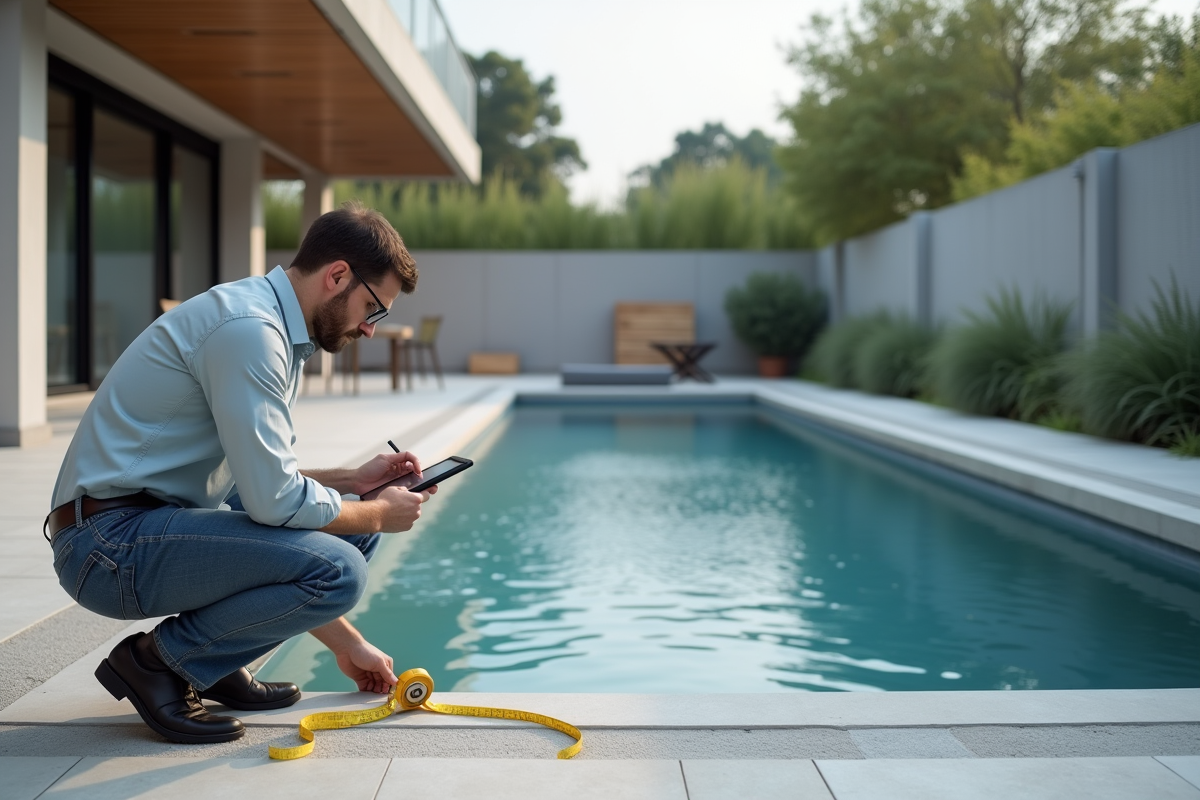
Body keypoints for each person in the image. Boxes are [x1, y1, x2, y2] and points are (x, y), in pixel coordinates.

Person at [45, 202, 433, 744]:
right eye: (373, 308)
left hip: (143, 524)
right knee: (342, 563)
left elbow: (257, 483)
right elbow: (275, 502)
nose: (369, 329)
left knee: (351, 527)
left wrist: (353, 484)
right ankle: (158, 664)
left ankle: (211, 660)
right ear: (337, 276)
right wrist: (379, 511)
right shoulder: (251, 332)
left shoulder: (266, 321)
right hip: (107, 547)